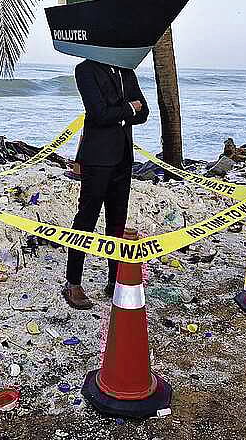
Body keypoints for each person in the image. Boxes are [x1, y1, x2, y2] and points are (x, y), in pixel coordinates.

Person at [62, 58, 149, 309]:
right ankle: (73, 282)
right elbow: (98, 114)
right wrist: (128, 110)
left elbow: (144, 113)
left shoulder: (126, 70)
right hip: (97, 158)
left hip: (123, 156)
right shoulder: (85, 69)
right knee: (86, 219)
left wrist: (122, 111)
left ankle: (115, 279)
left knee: (118, 221)